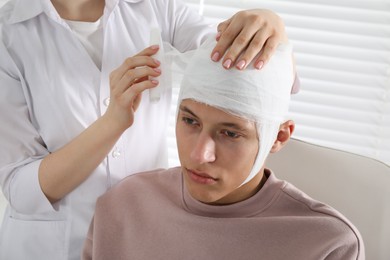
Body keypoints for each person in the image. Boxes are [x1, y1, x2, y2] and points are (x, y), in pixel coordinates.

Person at [0, 0, 296, 259]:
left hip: (145, 237)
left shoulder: (159, 7)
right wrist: (112, 123)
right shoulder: (8, 34)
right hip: (54, 247)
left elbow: (250, 73)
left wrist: (270, 30)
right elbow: (21, 189)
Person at [82, 37, 364, 260]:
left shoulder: (329, 244)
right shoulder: (123, 205)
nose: (198, 155)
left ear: (279, 137)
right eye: (190, 120)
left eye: (230, 133)